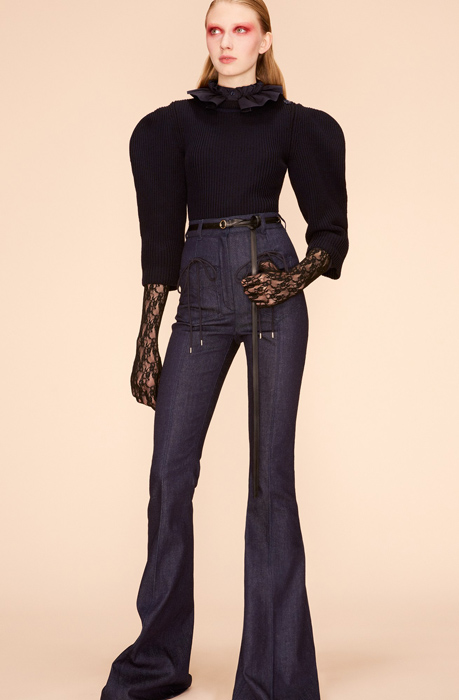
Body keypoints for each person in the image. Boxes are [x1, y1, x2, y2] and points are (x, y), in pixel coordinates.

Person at [100, 0, 348, 698]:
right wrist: (146, 337)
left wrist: (293, 278)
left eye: (241, 29)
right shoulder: (169, 127)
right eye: (216, 29)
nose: (227, 40)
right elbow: (159, 240)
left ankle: (274, 676)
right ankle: (156, 662)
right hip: (202, 295)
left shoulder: (296, 124)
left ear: (264, 39)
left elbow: (330, 232)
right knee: (169, 474)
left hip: (272, 288)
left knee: (271, 482)